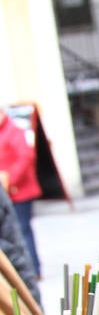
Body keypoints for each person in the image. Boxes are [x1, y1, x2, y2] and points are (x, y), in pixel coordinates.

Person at [0, 107, 43, 279]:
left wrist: (10, 181)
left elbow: (25, 157)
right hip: (7, 192)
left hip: (20, 191)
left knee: (23, 230)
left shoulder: (14, 130)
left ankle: (34, 269)